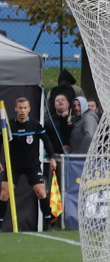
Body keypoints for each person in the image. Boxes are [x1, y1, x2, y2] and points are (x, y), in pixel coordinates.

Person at [0, 98, 57, 230]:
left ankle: (49, 223)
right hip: (13, 165)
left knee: (41, 192)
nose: (22, 111)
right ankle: (0, 224)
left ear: (29, 109)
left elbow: (46, 141)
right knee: (4, 193)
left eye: (25, 108)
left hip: (32, 165)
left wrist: (52, 157)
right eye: (20, 108)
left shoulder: (35, 125)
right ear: (15, 109)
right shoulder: (9, 126)